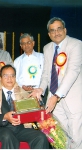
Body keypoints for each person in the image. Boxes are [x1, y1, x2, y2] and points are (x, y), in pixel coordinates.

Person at [30, 17, 82, 148]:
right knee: (59, 138)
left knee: (76, 138)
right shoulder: (47, 48)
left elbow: (73, 72)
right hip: (54, 103)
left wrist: (57, 96)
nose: (56, 33)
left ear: (65, 30)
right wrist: (40, 89)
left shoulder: (76, 45)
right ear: (49, 34)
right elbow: (46, 73)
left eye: (59, 29)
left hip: (73, 100)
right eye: (52, 30)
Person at [0, 65, 49, 149]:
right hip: (0, 129)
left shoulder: (23, 93)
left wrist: (38, 106)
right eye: (6, 76)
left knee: (40, 137)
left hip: (20, 129)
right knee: (7, 136)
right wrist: (4, 117)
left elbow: (33, 114)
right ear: (0, 77)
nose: (9, 79)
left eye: (12, 76)